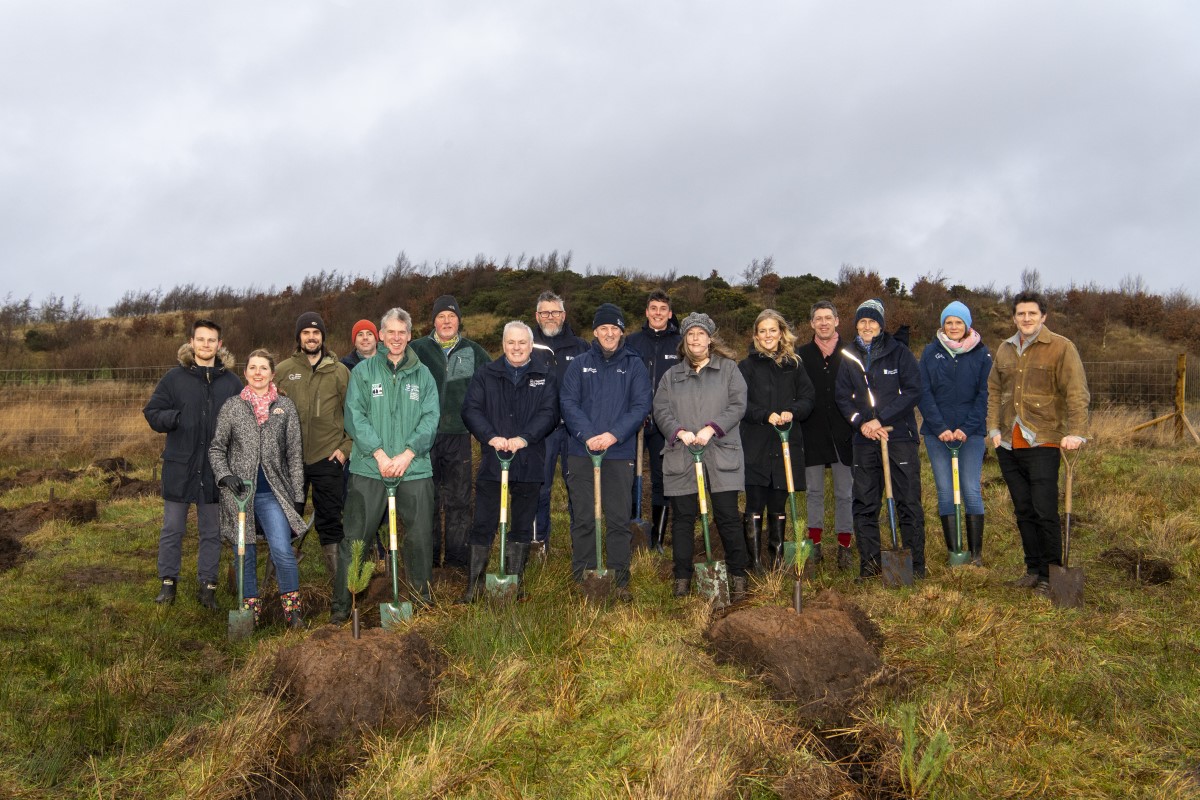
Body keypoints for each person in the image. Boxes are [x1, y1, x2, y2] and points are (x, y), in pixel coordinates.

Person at [333, 308, 439, 623]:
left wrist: (407, 454)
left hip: (414, 468)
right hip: (369, 468)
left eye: (401, 332)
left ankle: (422, 604)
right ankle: (341, 609)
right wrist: (379, 454)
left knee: (420, 537)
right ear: (381, 335)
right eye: (390, 332)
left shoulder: (423, 374)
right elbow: (354, 415)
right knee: (355, 539)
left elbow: (430, 419)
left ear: (409, 335)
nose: (395, 338)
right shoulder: (364, 373)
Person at [987, 291, 1089, 595]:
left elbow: (1077, 392)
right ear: (1014, 317)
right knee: (1023, 510)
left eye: (1032, 313)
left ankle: (1050, 574)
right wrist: (992, 428)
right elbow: (994, 391)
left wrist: (1077, 432)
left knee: (1045, 510)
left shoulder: (1061, 347)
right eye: (1021, 314)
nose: (1026, 319)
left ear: (1043, 316)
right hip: (1008, 443)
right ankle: (1032, 569)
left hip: (1043, 440)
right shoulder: (1005, 349)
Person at [143, 319, 243, 608]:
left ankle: (207, 586)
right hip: (180, 467)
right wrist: (175, 419)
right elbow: (152, 412)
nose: (206, 345)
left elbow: (243, 421)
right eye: (201, 339)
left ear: (219, 345)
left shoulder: (232, 383)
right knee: (173, 527)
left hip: (215, 470)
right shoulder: (174, 379)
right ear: (192, 342)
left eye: (211, 340)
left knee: (211, 531)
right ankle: (168, 583)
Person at [459, 321, 559, 602]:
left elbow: (549, 413)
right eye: (511, 343)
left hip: (528, 459)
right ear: (503, 345)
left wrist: (523, 438)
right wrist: (491, 437)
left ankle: (514, 582)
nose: (516, 348)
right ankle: (474, 586)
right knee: (484, 522)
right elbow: (471, 409)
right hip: (494, 460)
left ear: (530, 345)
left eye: (522, 343)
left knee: (522, 524)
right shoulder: (486, 374)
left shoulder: (545, 375)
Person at [653, 312, 750, 600]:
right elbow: (661, 410)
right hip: (682, 453)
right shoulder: (672, 376)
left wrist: (711, 429)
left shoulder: (729, 369)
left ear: (710, 338)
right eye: (690, 335)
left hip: (721, 453)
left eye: (701, 334)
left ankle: (738, 576)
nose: (695, 339)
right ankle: (682, 577)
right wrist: (679, 432)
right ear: (684, 341)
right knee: (682, 518)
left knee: (728, 516)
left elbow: (738, 404)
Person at [209, 349, 308, 628]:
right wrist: (225, 476)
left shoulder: (284, 407)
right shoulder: (232, 406)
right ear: (245, 372)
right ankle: (250, 613)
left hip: (271, 494)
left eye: (263, 368)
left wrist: (298, 496)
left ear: (272, 373)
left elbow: (294, 454)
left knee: (282, 550)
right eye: (252, 367)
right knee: (245, 553)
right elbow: (217, 448)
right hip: (239, 494)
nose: (257, 372)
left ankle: (293, 612)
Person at [560, 303, 651, 601]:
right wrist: (588, 436)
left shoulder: (634, 365)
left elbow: (640, 406)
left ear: (621, 331)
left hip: (618, 452)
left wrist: (613, 435)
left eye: (615, 328)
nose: (609, 333)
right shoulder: (579, 364)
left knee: (617, 518)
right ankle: (584, 578)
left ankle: (619, 580)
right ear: (595, 332)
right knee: (584, 517)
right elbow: (568, 403)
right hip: (581, 451)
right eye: (604, 328)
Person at [835, 299, 926, 579]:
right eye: (862, 321)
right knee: (864, 503)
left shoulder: (900, 353)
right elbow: (842, 397)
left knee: (908, 500)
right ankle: (870, 566)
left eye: (872, 321)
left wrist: (882, 419)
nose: (867, 326)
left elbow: (913, 391)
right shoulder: (848, 355)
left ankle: (914, 566)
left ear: (881, 325)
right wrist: (862, 424)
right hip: (864, 440)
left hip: (899, 438)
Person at [410, 295, 491, 572]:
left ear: (459, 320)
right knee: (427, 500)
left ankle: (456, 562)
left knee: (459, 500)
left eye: (452, 316)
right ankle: (429, 561)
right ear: (433, 321)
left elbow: (490, 386)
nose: (447, 321)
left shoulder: (474, 351)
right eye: (441, 316)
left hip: (459, 435)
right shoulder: (417, 349)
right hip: (424, 437)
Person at [276, 312, 352, 579]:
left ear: (323, 337)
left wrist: (346, 448)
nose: (311, 337)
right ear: (299, 337)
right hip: (290, 459)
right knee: (284, 518)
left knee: (330, 518)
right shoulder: (283, 371)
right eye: (306, 333)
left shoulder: (339, 371)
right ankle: (277, 581)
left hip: (327, 456)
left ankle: (339, 584)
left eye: (316, 333)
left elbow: (354, 413)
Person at [738, 309, 815, 571]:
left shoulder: (794, 364)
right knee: (755, 501)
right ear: (756, 335)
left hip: (786, 442)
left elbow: (808, 398)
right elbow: (740, 404)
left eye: (773, 330)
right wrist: (763, 415)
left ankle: (778, 557)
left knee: (778, 501)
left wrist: (792, 412)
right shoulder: (746, 366)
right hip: (756, 444)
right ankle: (755, 561)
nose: (768, 335)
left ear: (781, 333)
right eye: (763, 331)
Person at [919, 300, 991, 566]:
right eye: (949, 322)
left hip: (970, 434)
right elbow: (923, 393)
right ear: (942, 325)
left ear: (967, 325)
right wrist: (940, 428)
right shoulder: (929, 352)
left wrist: (965, 428)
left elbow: (984, 396)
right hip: (937, 435)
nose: (953, 327)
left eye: (958, 322)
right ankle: (955, 552)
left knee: (971, 490)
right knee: (946, 492)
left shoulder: (982, 354)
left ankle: (976, 555)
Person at [798, 301, 856, 571]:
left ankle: (845, 546)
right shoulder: (801, 356)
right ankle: (815, 546)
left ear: (837, 320)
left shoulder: (850, 352)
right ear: (811, 324)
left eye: (828, 318)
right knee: (814, 492)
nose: (823, 323)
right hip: (811, 432)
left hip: (845, 432)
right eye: (818, 318)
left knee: (845, 492)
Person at [530, 291, 589, 552]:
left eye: (555, 312)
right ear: (537, 316)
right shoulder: (526, 345)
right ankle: (538, 542)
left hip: (575, 430)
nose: (550, 317)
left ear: (564, 316)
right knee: (540, 487)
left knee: (577, 487)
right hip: (541, 432)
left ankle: (582, 545)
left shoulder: (582, 347)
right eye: (545, 312)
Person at [625, 289, 682, 552]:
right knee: (629, 476)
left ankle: (657, 539)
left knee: (661, 480)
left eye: (663, 309)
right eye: (653, 308)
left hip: (665, 423)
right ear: (646, 312)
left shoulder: (679, 343)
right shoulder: (632, 342)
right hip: (634, 421)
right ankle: (630, 532)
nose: (658, 313)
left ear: (669, 314)